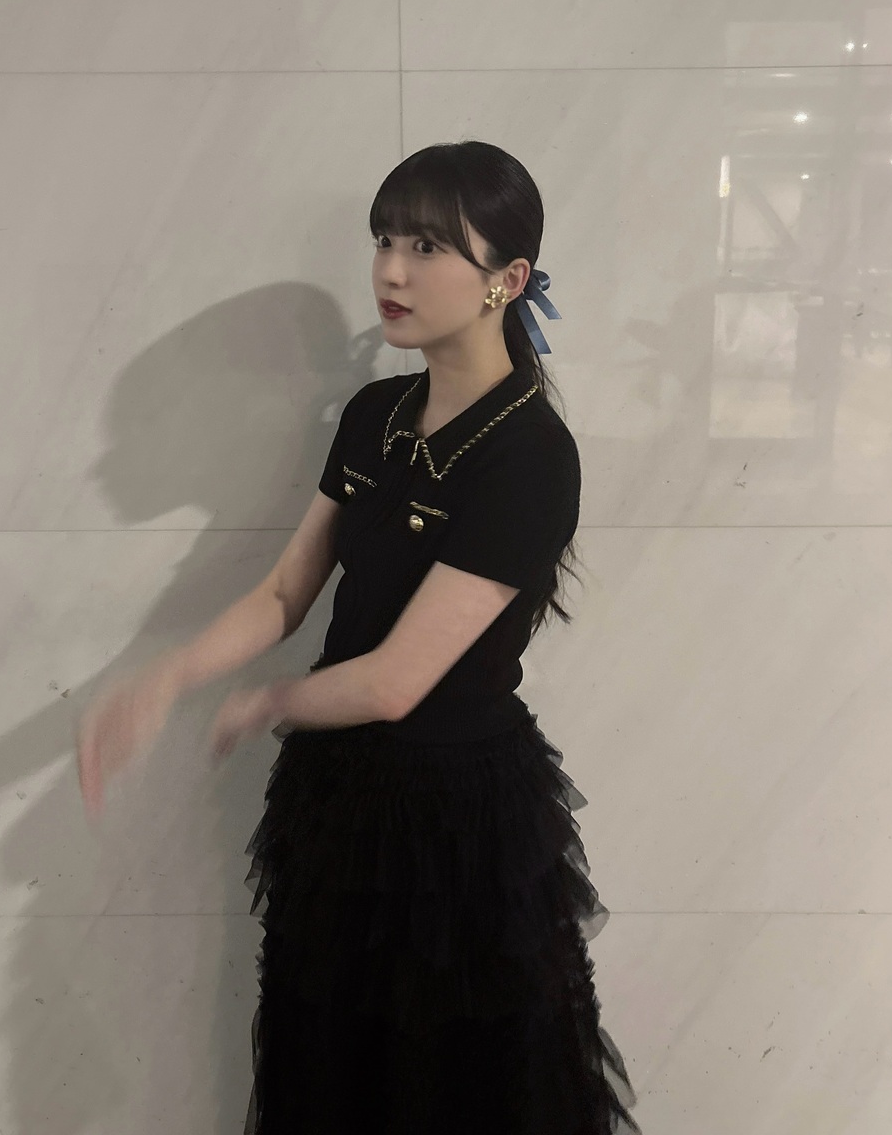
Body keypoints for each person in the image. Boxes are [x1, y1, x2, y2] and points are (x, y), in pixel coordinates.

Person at [76, 140, 641, 1134]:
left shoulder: (528, 454)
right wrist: (167, 676)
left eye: (426, 246)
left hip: (455, 816)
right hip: (339, 794)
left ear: (506, 281)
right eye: (384, 239)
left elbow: (393, 682)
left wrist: (266, 700)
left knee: (455, 1089)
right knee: (335, 1071)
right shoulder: (376, 413)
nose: (390, 271)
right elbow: (286, 591)